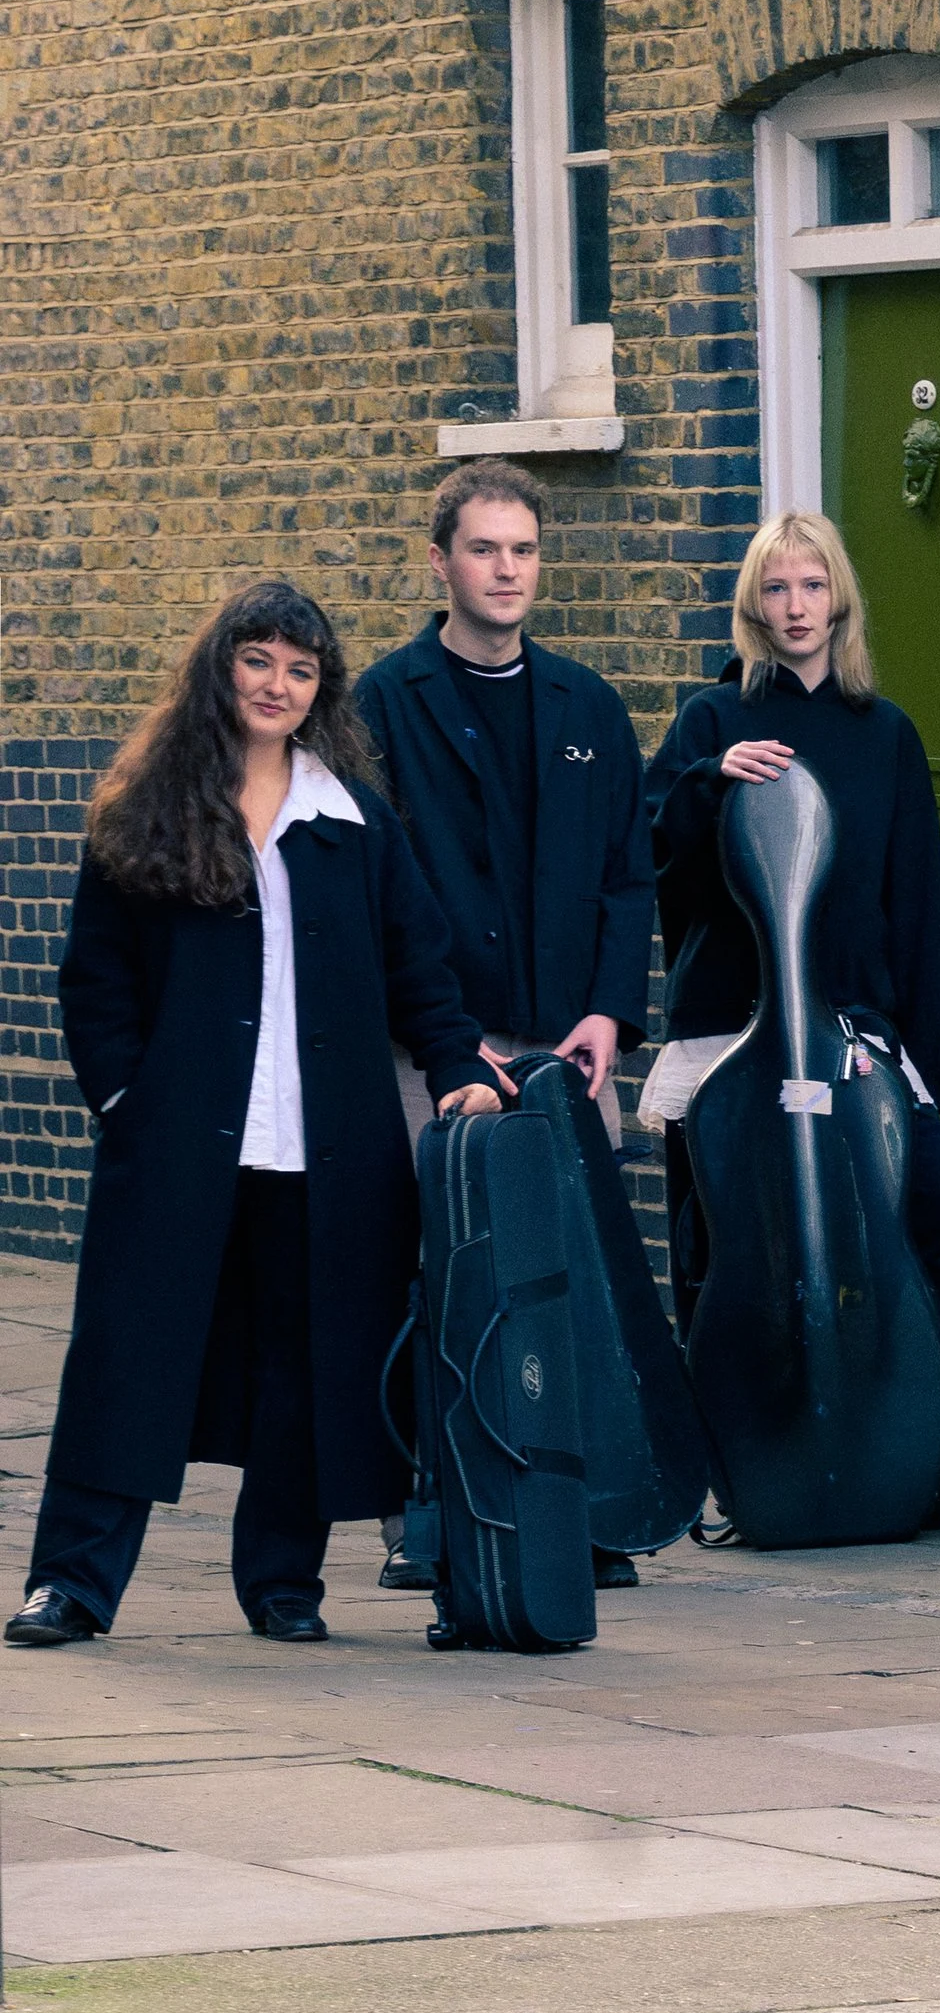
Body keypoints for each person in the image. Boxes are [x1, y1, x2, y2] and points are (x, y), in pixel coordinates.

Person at [7, 584, 502, 1650]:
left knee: (305, 1366)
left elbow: (421, 968)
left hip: (328, 1148)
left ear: (322, 689)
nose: (278, 685)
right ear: (219, 669)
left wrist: (459, 1064)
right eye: (259, 660)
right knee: (128, 1356)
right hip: (178, 1142)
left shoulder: (355, 822)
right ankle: (72, 1581)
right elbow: (95, 981)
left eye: (301, 669)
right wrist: (129, 1100)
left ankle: (283, 1583)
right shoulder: (147, 805)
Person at [643, 511, 940, 1530]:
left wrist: (926, 1055)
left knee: (938, 1226)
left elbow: (912, 900)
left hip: (859, 1031)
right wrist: (709, 783)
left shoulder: (886, 733)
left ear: (838, 597)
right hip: (736, 1032)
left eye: (812, 585)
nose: (795, 606)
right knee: (725, 1245)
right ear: (753, 603)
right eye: (776, 588)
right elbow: (652, 851)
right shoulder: (713, 719)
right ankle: (739, 1472)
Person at [357, 459, 656, 1589]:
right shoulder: (383, 704)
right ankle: (432, 1513)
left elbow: (627, 877)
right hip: (435, 1048)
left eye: (523, 549)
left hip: (569, 1048)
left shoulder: (589, 705)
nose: (506, 569)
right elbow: (375, 890)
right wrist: (446, 1032)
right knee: (440, 1277)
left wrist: (609, 1013)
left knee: (572, 1281)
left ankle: (577, 1513)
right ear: (440, 562)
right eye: (484, 548)